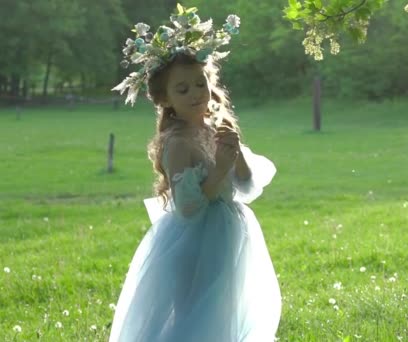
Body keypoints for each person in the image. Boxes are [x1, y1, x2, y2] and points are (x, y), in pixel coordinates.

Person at [109, 4, 281, 341]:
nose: (195, 94)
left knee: (227, 308)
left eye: (199, 84)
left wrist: (237, 158)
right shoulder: (176, 144)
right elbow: (188, 207)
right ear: (166, 99)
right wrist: (218, 169)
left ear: (210, 81)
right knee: (196, 312)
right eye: (183, 89)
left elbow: (246, 187)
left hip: (230, 230)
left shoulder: (215, 125)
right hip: (194, 239)